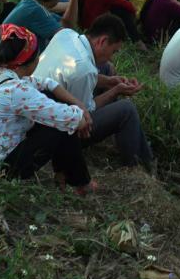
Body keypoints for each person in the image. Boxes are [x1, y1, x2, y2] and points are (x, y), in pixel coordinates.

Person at [0, 23, 93, 192]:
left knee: (56, 105)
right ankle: (80, 182)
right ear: (29, 62)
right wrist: (81, 115)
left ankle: (66, 175)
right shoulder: (17, 92)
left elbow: (46, 83)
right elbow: (75, 121)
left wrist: (79, 104)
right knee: (62, 125)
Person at [34, 14, 153, 170]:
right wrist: (115, 90)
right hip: (56, 131)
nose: (112, 57)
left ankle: (139, 147)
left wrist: (110, 81)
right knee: (127, 110)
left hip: (40, 100)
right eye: (114, 51)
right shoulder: (83, 69)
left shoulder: (66, 34)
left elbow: (75, 74)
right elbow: (86, 114)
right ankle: (139, 164)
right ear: (102, 41)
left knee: (105, 68)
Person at [2, 0, 82, 56]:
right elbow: (67, 34)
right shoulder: (36, 11)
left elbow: (67, 24)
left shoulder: (30, 2)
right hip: (14, 65)